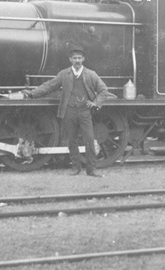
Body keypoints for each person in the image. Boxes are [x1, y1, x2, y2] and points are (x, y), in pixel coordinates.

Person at [22, 46, 109, 177]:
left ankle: (91, 169)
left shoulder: (91, 74)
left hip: (85, 112)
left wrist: (95, 103)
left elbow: (103, 90)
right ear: (70, 59)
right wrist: (32, 93)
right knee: (71, 141)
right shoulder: (64, 74)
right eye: (74, 58)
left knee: (89, 140)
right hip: (69, 111)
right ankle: (76, 168)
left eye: (79, 58)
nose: (77, 60)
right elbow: (50, 86)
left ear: (83, 59)